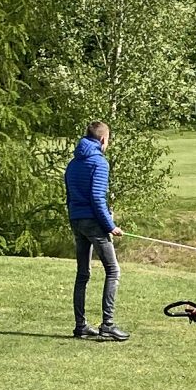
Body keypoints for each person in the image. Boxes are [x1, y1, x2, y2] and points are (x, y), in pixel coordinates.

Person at [64, 120, 128, 342]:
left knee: (83, 274)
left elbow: (70, 197)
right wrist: (110, 226)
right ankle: (108, 325)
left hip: (76, 220)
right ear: (103, 139)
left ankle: (80, 326)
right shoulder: (99, 163)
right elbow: (97, 198)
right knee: (113, 271)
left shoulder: (73, 163)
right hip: (93, 222)